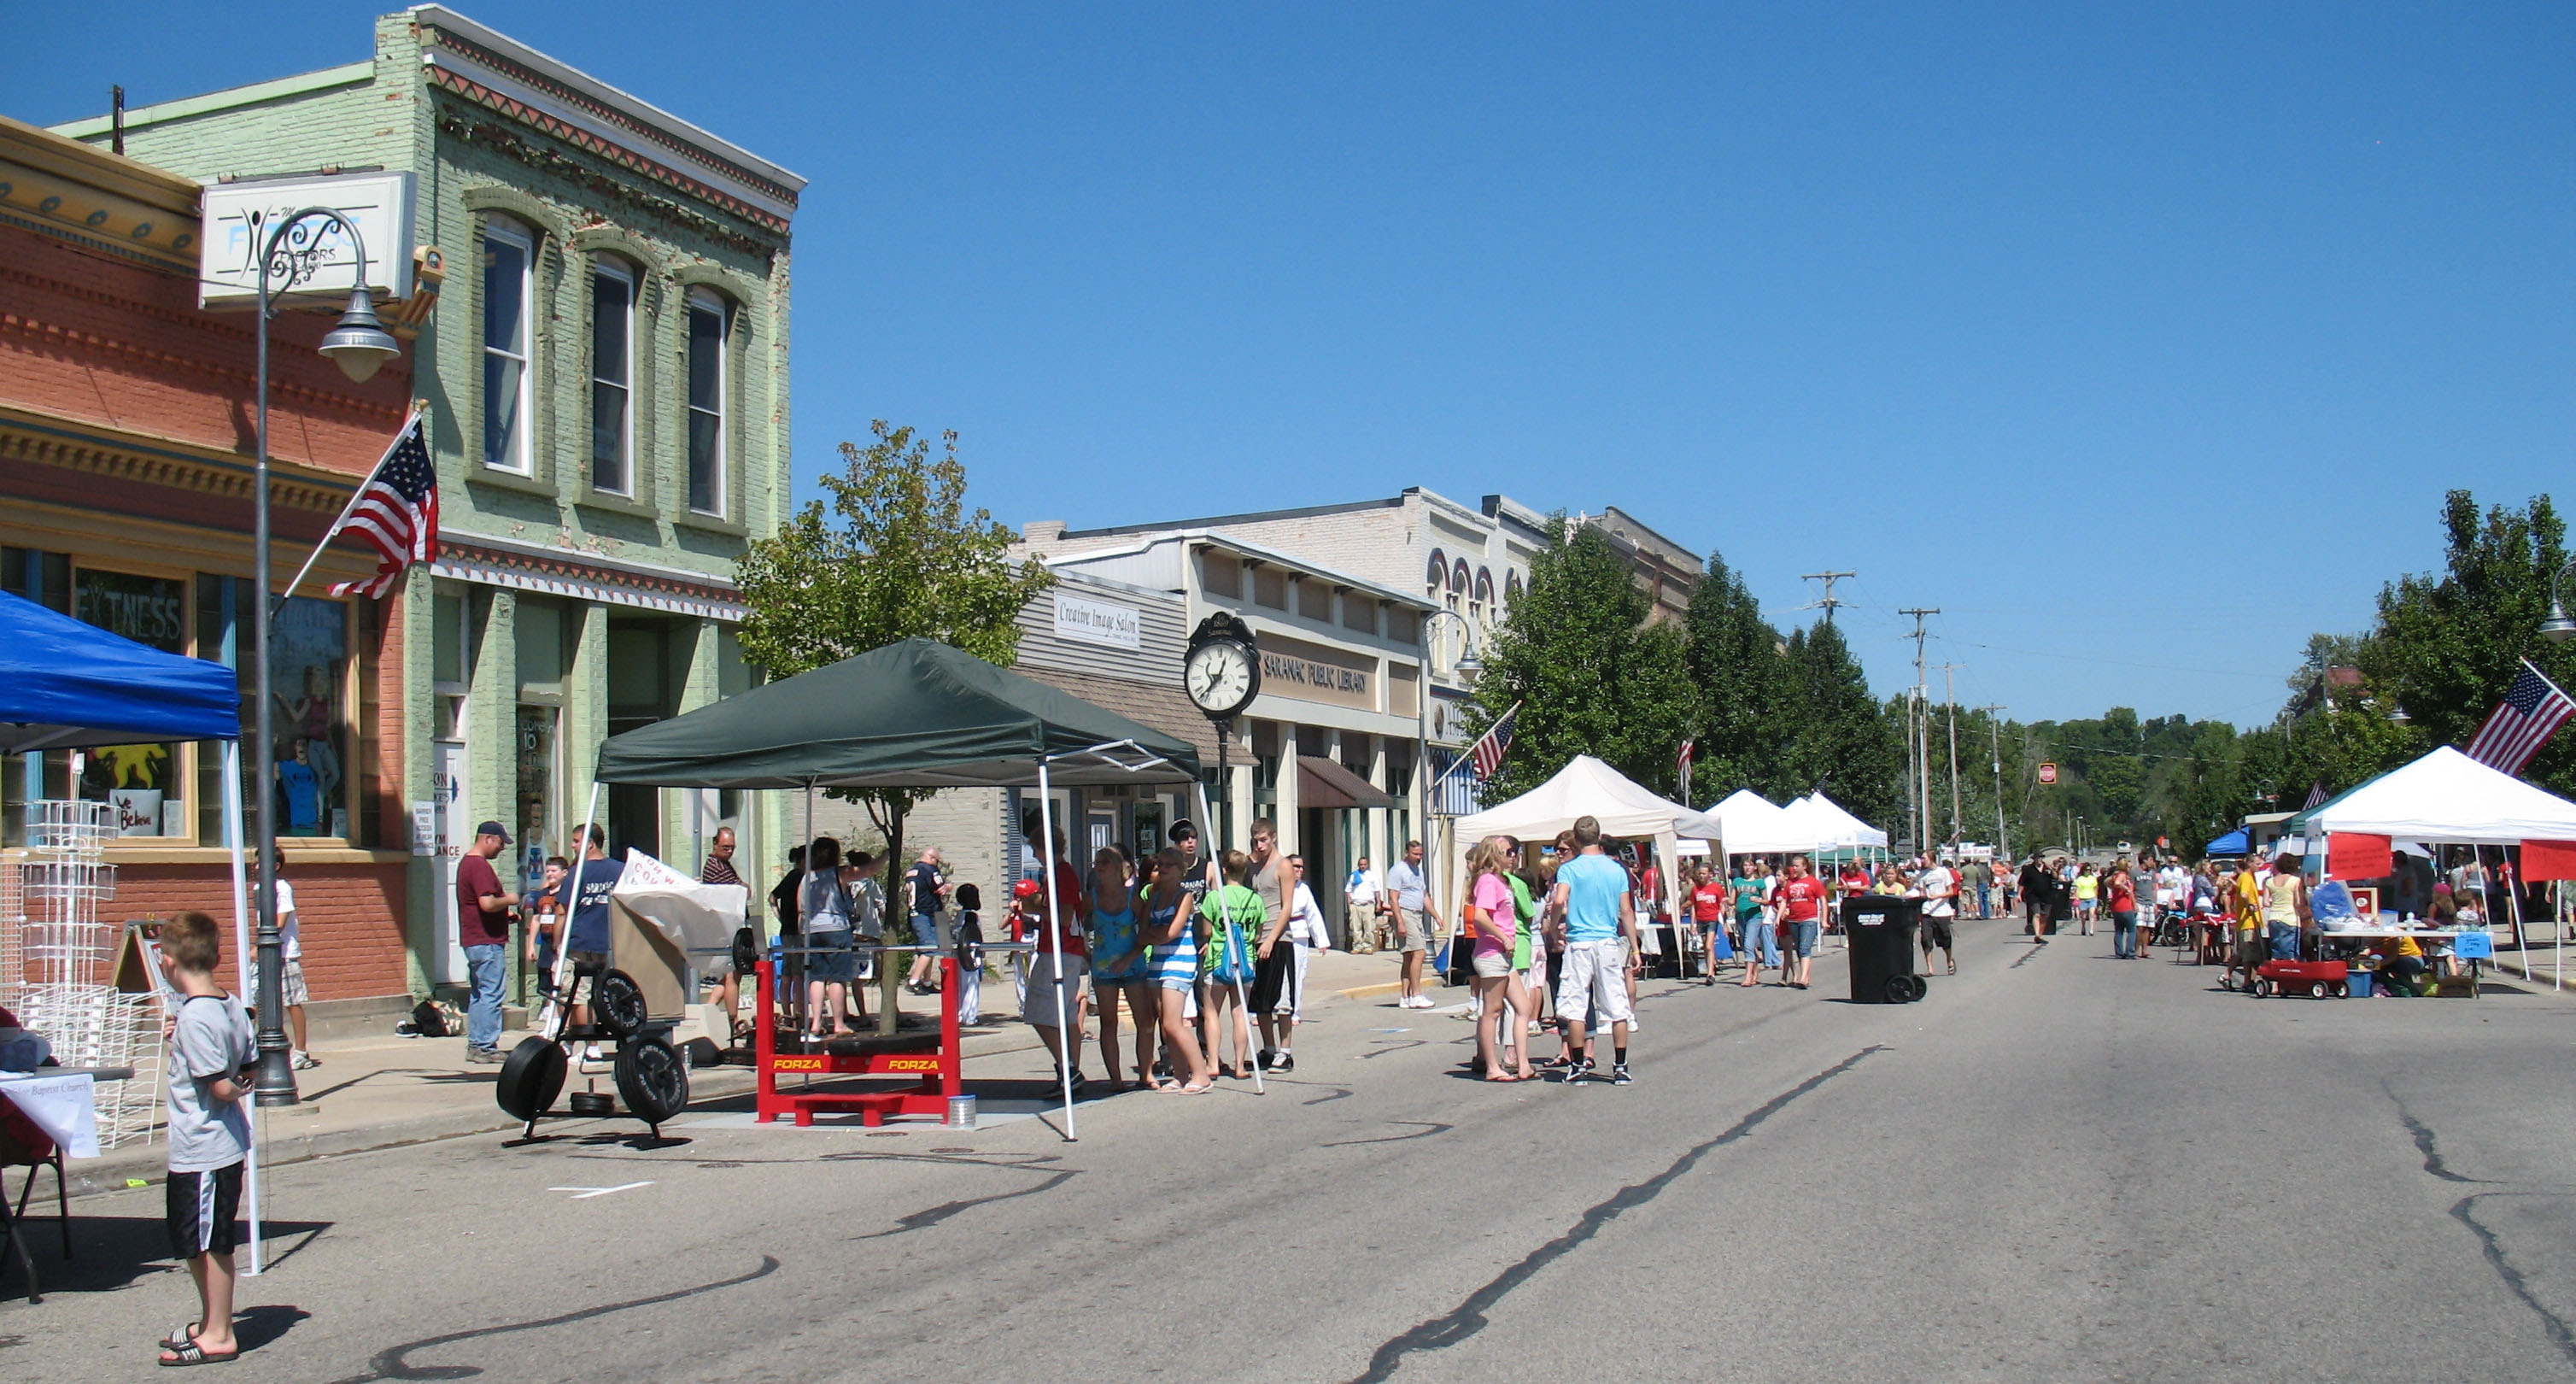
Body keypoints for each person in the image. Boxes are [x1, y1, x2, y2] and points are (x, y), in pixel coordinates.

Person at [155, 912, 256, 1366]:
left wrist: (234, 1088)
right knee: (194, 1241)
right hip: (216, 1145)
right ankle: (210, 1319)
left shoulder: (195, 1017)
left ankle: (219, 1334)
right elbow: (249, 1063)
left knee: (210, 1244)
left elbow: (221, 1086)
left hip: (205, 1147)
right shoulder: (228, 1004)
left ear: (168, 961)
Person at [1547, 817, 1637, 1085]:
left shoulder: (1569, 869)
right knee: (1617, 1005)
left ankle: (1577, 1066)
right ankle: (1620, 1066)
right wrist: (1635, 947)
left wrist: (1553, 927)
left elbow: (1559, 899)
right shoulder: (1616, 869)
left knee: (1575, 1004)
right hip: (1607, 940)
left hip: (1579, 942)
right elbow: (1626, 910)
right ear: (1599, 837)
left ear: (1576, 839)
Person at [1464, 836, 1536, 1082]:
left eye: (1514, 852)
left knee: (1524, 1007)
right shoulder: (1487, 881)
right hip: (1491, 953)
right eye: (1507, 852)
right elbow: (1480, 916)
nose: (1513, 856)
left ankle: (1523, 1064)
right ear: (1494, 855)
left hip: (1505, 956)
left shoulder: (1502, 881)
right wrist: (1503, 937)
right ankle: (1492, 1067)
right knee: (1492, 1010)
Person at [1142, 847, 1211, 1094]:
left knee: (1174, 1023)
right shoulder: (1154, 894)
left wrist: (1154, 935)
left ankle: (1201, 1074)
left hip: (1179, 962)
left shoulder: (1185, 896)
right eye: (1160, 864)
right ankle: (1180, 1075)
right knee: (1165, 1024)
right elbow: (1143, 929)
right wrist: (1154, 936)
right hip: (1157, 962)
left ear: (1181, 870)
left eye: (1168, 865)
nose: (1162, 869)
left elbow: (1172, 932)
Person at [1019, 863, 1092, 1090]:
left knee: (1037, 1013)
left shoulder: (1062, 873)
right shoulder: (1058, 874)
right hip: (1064, 950)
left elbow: (1065, 917)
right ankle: (1070, 1075)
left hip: (1059, 951)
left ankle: (1068, 1069)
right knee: (1068, 1017)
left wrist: (1036, 908)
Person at [1086, 846, 1152, 1091]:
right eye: (1097, 862)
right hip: (1103, 967)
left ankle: (1146, 1074)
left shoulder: (1132, 897)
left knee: (1144, 1020)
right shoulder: (1091, 897)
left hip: (1132, 964)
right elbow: (1073, 923)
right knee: (1108, 1022)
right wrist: (1085, 953)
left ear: (1117, 867)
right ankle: (1115, 1078)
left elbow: (1145, 932)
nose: (1099, 867)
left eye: (1104, 862)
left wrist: (1131, 957)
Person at [454, 820, 518, 1064]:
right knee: (491, 993)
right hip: (486, 941)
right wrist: (511, 899)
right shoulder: (479, 866)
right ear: (487, 839)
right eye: (501, 843)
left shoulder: (466, 863)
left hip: (474, 939)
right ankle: (485, 1046)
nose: (502, 848)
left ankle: (476, 1044)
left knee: (479, 994)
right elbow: (487, 903)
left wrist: (505, 916)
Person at [1199, 850, 1267, 1080]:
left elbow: (1207, 932)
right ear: (1245, 871)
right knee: (1240, 1013)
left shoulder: (1214, 898)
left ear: (1224, 870)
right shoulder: (1254, 899)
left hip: (1219, 959)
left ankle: (1213, 1063)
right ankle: (1239, 1066)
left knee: (1212, 1014)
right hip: (1245, 961)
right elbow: (1257, 935)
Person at [1262, 853, 1329, 1072]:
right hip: (1278, 933)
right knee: (1272, 980)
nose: (1298, 870)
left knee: (1297, 976)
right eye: (1295, 867)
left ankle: (1295, 1011)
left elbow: (1314, 915)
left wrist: (1321, 941)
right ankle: (1266, 1015)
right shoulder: (1279, 885)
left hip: (1298, 935)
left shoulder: (1304, 890)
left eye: (1301, 867)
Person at [254, 850, 318, 1070]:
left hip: (284, 953)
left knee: (291, 1001)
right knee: (257, 999)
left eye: (261, 863)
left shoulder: (282, 888)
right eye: (256, 863)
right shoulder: (258, 889)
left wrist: (260, 945)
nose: (256, 868)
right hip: (264, 953)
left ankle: (301, 1051)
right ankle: (254, 1048)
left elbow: (279, 923)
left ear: (276, 866)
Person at [799, 836, 858, 1041]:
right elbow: (867, 871)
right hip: (835, 927)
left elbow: (801, 909)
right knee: (837, 977)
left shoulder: (807, 878)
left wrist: (802, 934)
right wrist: (885, 856)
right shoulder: (838, 874)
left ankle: (816, 1022)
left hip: (811, 930)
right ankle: (839, 1023)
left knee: (816, 977)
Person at [698, 829, 750, 1038]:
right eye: (725, 847)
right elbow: (744, 891)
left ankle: (707, 1011)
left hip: (728, 925)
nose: (729, 851)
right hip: (726, 928)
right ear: (715, 845)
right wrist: (743, 886)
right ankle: (733, 1021)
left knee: (729, 975)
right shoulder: (716, 867)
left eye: (732, 848)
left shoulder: (723, 865)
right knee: (732, 974)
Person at [1385, 839, 1437, 1008]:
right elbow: (1393, 898)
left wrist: (1436, 916)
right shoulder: (1398, 870)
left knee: (1409, 956)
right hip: (1404, 913)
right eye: (1415, 854)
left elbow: (1424, 895)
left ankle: (1405, 996)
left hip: (1417, 914)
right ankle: (1417, 994)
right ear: (1407, 853)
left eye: (1420, 854)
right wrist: (1400, 922)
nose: (1418, 857)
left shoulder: (1418, 871)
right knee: (1419, 953)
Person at [526, 855, 568, 1030]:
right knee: (546, 979)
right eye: (548, 871)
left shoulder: (566, 893)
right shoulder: (542, 895)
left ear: (564, 873)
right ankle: (550, 1013)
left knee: (559, 978)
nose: (550, 874)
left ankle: (558, 1018)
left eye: (554, 871)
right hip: (546, 942)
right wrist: (530, 945)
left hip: (561, 943)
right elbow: (537, 919)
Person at [1776, 854, 1829, 990]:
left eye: (1797, 866)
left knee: (1805, 947)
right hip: (1793, 919)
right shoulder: (1791, 883)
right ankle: (1805, 976)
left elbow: (1823, 900)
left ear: (1804, 866)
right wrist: (1778, 917)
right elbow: (1784, 901)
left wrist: (1824, 920)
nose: (1794, 868)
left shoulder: (1813, 881)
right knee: (1799, 948)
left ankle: (1804, 979)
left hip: (1809, 918)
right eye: (1793, 865)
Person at [905, 847, 950, 995]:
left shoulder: (912, 871)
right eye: (937, 861)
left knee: (929, 948)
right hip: (928, 913)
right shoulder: (930, 870)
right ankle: (914, 981)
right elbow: (941, 888)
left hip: (914, 912)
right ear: (932, 858)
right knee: (930, 948)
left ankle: (927, 982)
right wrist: (949, 886)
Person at [1732, 859, 1777, 986]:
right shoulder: (1737, 881)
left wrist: (1758, 901)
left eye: (1750, 865)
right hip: (1740, 916)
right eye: (1745, 865)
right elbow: (1732, 900)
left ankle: (1748, 977)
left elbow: (1767, 901)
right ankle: (1755, 972)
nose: (1747, 868)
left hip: (1754, 916)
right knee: (1746, 945)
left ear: (1754, 868)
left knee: (1748, 945)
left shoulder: (1759, 882)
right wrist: (1726, 901)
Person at [1915, 855, 1958, 975]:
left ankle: (1949, 961)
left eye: (1924, 858)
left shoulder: (1943, 872)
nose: (1922, 861)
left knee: (1945, 939)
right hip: (1927, 911)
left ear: (1931, 859)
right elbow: (1922, 892)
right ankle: (1930, 968)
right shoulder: (1922, 875)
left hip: (1942, 911)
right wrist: (1922, 897)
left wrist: (1937, 896)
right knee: (1926, 940)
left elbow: (1950, 892)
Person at [1688, 865, 1730, 985]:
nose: (1701, 876)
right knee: (1706, 947)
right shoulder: (1695, 889)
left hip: (1712, 919)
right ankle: (1710, 969)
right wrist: (1692, 924)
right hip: (1701, 919)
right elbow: (1694, 907)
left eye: (1704, 873)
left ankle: (1711, 973)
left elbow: (1722, 904)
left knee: (1708, 946)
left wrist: (1725, 923)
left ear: (1710, 875)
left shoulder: (1716, 887)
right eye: (1700, 873)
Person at [2263, 853, 2310, 961]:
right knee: (2290, 952)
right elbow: (2298, 902)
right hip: (2290, 918)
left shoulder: (2269, 881)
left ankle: (2276, 968)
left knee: (2276, 949)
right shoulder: (2295, 880)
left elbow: (2265, 902)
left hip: (2274, 918)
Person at [951, 883, 986, 1026]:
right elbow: (975, 935)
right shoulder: (972, 916)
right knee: (971, 985)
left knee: (960, 986)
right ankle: (970, 1016)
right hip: (970, 955)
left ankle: (959, 1013)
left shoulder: (959, 916)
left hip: (958, 953)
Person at [2105, 859, 2140, 960]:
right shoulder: (2122, 875)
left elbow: (2106, 882)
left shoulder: (2116, 875)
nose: (2130, 869)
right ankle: (2130, 952)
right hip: (2125, 905)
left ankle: (2119, 952)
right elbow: (2117, 883)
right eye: (2129, 867)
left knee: (2119, 930)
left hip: (2116, 906)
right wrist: (2126, 888)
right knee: (2131, 930)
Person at [1346, 853, 1383, 953]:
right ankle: (1357, 946)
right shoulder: (1354, 875)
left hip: (1368, 904)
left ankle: (1368, 946)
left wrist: (1378, 903)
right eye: (1361, 864)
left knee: (1369, 927)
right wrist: (1349, 903)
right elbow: (1348, 890)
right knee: (1355, 927)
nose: (1363, 866)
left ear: (1367, 865)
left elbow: (1377, 891)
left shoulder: (1372, 876)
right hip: (1356, 904)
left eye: (1364, 864)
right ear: (1358, 865)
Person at [2019, 853, 2053, 941]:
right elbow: (2022, 882)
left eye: (2041, 858)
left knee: (2045, 915)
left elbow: (2055, 877)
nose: (2039, 859)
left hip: (2046, 895)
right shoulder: (2028, 869)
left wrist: (2051, 869)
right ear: (2034, 859)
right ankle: (2037, 935)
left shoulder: (2046, 869)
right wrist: (2019, 894)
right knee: (2036, 914)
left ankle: (2040, 933)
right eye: (2037, 858)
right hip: (2032, 895)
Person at [2073, 863, 2099, 935]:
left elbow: (2095, 887)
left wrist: (2096, 896)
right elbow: (2078, 889)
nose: (2088, 871)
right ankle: (2083, 927)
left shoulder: (2093, 878)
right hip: (2083, 898)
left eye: (2089, 870)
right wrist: (2077, 897)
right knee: (2083, 916)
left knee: (2092, 913)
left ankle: (2091, 929)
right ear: (2083, 870)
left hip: (2092, 898)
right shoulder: (2080, 879)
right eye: (2086, 870)